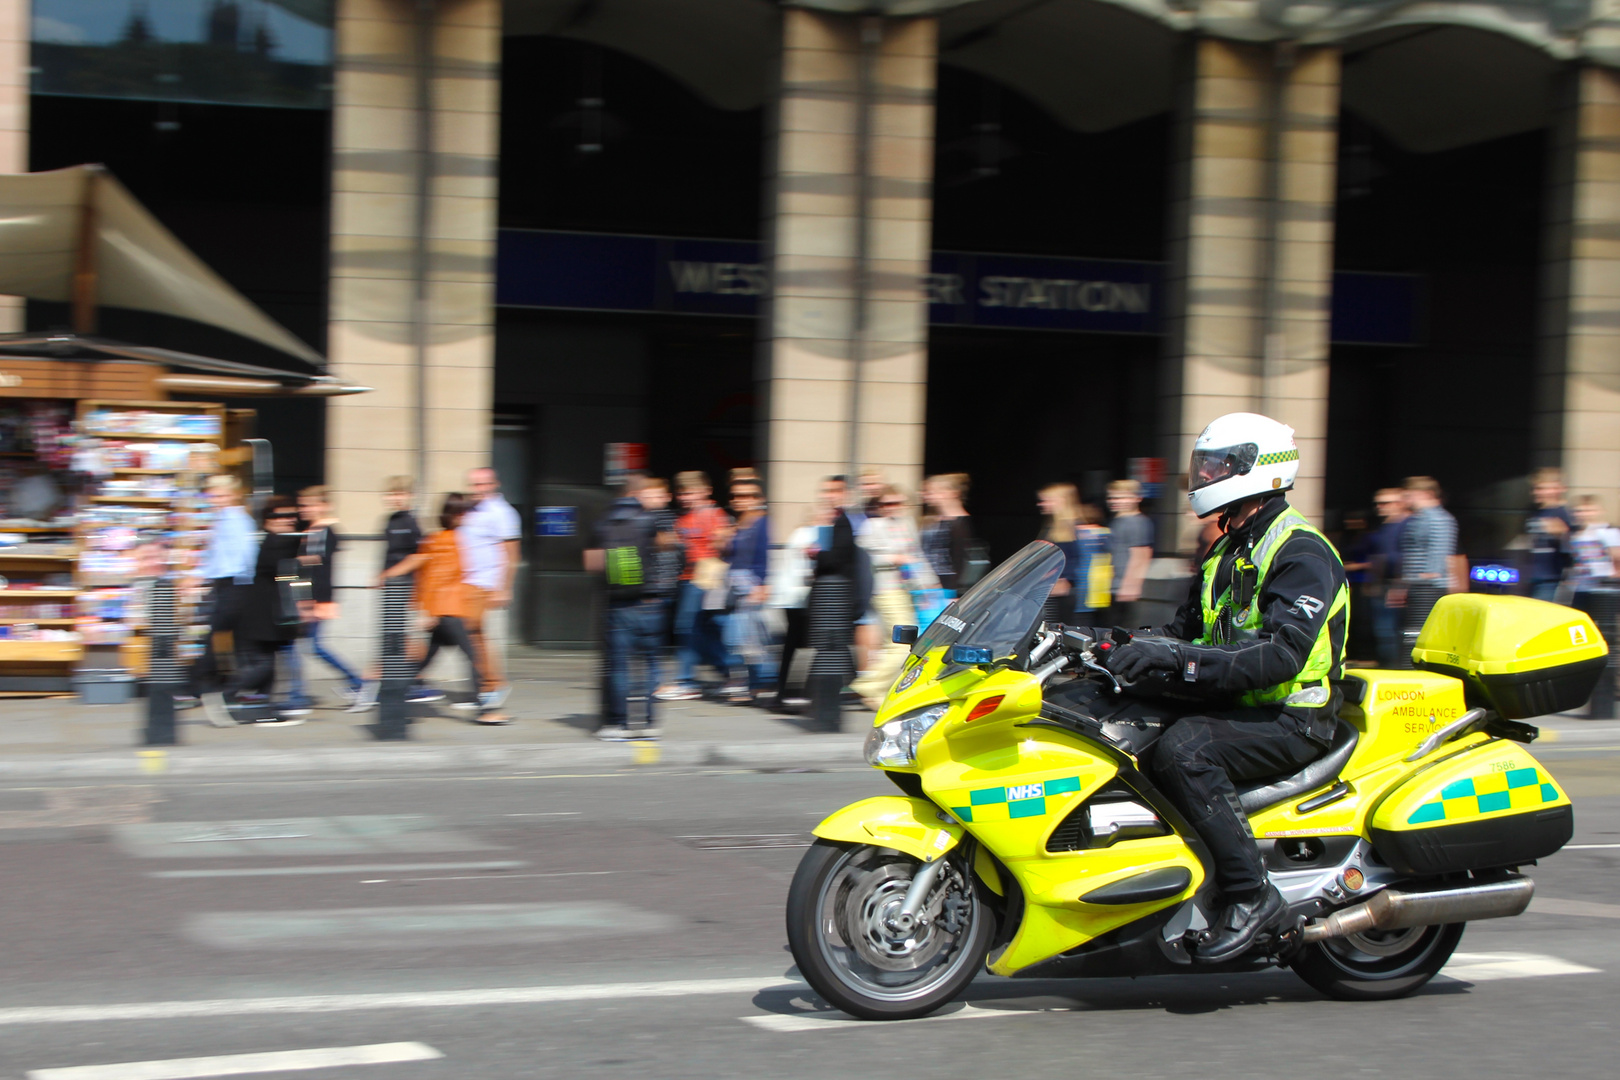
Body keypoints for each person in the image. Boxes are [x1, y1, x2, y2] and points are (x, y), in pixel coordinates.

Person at [1094, 413, 1348, 963]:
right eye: (1203, 465)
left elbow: (1280, 656)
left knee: (1185, 749)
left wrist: (1176, 661)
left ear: (1259, 469)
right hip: (1239, 704)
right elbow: (1184, 634)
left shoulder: (1301, 552)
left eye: (1217, 466)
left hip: (1293, 717)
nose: (1204, 476)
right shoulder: (1227, 550)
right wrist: (1106, 644)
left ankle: (1250, 894)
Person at [381, 492, 505, 723]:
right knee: (475, 656)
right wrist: (426, 612)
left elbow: (418, 563)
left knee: (426, 660)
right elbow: (431, 576)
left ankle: (389, 696)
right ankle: (486, 711)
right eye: (467, 512)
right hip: (450, 611)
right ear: (458, 516)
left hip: (449, 611)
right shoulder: (448, 541)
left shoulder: (450, 539)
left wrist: (388, 575)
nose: (471, 516)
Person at [200, 495, 306, 728]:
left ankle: (263, 708)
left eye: (292, 515)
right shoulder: (278, 542)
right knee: (262, 665)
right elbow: (285, 572)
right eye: (281, 515)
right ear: (269, 519)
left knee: (268, 666)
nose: (288, 519)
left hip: (266, 615)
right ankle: (225, 694)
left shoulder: (275, 540)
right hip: (260, 615)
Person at [584, 475, 663, 738]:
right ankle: (650, 723)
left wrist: (618, 570)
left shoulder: (602, 522)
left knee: (618, 666)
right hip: (650, 601)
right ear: (639, 493)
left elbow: (592, 564)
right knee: (650, 663)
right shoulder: (651, 520)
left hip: (618, 604)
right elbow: (673, 551)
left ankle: (617, 723)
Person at [851, 486, 938, 709]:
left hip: (905, 589)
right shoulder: (872, 526)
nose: (893, 508)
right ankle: (869, 685)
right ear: (879, 506)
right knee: (902, 643)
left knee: (890, 642)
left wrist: (929, 584)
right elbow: (862, 558)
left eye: (897, 503)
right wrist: (893, 557)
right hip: (884, 588)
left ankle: (878, 694)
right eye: (887, 504)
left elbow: (917, 555)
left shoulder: (906, 524)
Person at [348, 477, 428, 713]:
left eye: (400, 494)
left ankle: (392, 682)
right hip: (391, 586)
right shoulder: (390, 521)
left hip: (406, 585)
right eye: (392, 494)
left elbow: (420, 557)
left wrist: (414, 588)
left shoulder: (412, 523)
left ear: (410, 496)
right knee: (394, 637)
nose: (395, 498)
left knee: (397, 638)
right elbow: (389, 553)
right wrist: (380, 575)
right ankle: (409, 681)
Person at [182, 475, 258, 709]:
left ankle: (197, 688)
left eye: (221, 495)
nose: (216, 499)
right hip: (226, 584)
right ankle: (237, 688)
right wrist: (198, 575)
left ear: (234, 495)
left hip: (237, 584)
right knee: (232, 640)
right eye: (213, 495)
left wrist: (201, 575)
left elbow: (247, 553)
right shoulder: (222, 519)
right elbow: (215, 556)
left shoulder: (238, 519)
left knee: (215, 635)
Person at [660, 471, 732, 700]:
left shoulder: (713, 515)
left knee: (689, 628)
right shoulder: (683, 518)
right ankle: (730, 673)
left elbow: (723, 546)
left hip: (704, 578)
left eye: (689, 492)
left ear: (705, 491)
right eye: (681, 493)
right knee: (703, 630)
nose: (684, 497)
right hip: (688, 578)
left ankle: (686, 681)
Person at [461, 466, 522, 709]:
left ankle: (494, 685)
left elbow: (512, 555)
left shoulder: (502, 513)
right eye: (474, 485)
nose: (477, 489)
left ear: (494, 484)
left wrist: (505, 587)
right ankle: (487, 688)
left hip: (484, 583)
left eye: (482, 484)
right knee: (472, 635)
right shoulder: (471, 511)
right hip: (466, 582)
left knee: (471, 633)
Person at [296, 485, 362, 705]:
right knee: (308, 646)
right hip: (312, 597)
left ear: (324, 506)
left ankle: (357, 682)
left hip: (317, 598)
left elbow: (319, 569)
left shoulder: (324, 532)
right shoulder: (314, 531)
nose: (303, 509)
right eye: (302, 505)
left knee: (311, 646)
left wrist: (309, 601)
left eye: (309, 505)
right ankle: (356, 681)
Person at [806, 475, 859, 730]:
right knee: (829, 653)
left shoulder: (843, 523)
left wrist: (816, 553)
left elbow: (837, 560)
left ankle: (828, 716)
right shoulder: (837, 522)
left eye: (835, 491)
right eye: (826, 491)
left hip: (834, 596)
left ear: (846, 494)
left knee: (830, 653)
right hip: (830, 596)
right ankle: (825, 713)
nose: (830, 495)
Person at [1390, 476, 1456, 662]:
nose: (1407, 500)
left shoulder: (1439, 519)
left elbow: (1439, 550)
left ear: (1427, 494)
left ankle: (1411, 670)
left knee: (1417, 633)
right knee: (1410, 633)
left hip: (1428, 586)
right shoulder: (1416, 519)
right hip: (1417, 585)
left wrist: (1427, 575)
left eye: (1411, 495)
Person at [720, 475, 774, 703]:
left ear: (757, 498)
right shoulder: (738, 523)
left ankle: (763, 682)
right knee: (741, 638)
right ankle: (753, 684)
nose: (739, 500)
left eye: (745, 496)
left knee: (750, 637)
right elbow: (729, 556)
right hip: (734, 584)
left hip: (750, 584)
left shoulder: (761, 522)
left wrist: (762, 584)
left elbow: (763, 555)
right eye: (735, 496)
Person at [1363, 488, 1408, 668]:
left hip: (1396, 587)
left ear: (1399, 504)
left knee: (1391, 633)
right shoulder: (1384, 528)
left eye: (1386, 503)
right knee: (1383, 633)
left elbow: (1404, 559)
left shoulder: (1407, 526)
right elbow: (1380, 558)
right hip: (1383, 586)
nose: (1380, 507)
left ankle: (1395, 669)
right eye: (1378, 503)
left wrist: (1400, 586)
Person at [1107, 478, 1154, 627]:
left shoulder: (1137, 522)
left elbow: (1141, 554)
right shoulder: (1117, 520)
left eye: (1122, 497)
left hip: (1124, 587)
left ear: (1137, 498)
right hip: (1112, 584)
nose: (1116, 501)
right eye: (1112, 497)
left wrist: (1130, 586)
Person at [920, 473, 973, 595]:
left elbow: (962, 559)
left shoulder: (961, 522)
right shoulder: (930, 520)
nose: (926, 495)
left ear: (950, 493)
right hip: (928, 582)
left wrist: (958, 589)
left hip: (948, 585)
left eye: (932, 492)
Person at [1037, 483, 1081, 625]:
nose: (1041, 504)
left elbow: (1074, 558)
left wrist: (1064, 577)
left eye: (1047, 500)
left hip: (1059, 589)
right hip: (1049, 587)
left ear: (1061, 501)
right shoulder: (1052, 526)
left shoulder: (1071, 528)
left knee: (1054, 626)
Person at [1527, 468, 1573, 602]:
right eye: (1535, 488)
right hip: (1532, 578)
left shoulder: (1564, 514)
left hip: (1551, 580)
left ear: (1558, 489)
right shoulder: (1536, 513)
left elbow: (1574, 549)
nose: (1536, 492)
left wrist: (1563, 534)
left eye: (1542, 488)